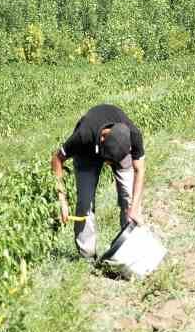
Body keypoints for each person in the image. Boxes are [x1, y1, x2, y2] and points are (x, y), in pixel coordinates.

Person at [52, 103, 146, 258]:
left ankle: (130, 249)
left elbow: (139, 169)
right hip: (87, 154)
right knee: (85, 203)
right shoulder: (83, 135)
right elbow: (57, 159)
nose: (109, 165)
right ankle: (87, 255)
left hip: (118, 149)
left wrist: (134, 207)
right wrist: (62, 200)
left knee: (130, 199)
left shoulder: (133, 134)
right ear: (102, 138)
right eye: (109, 161)